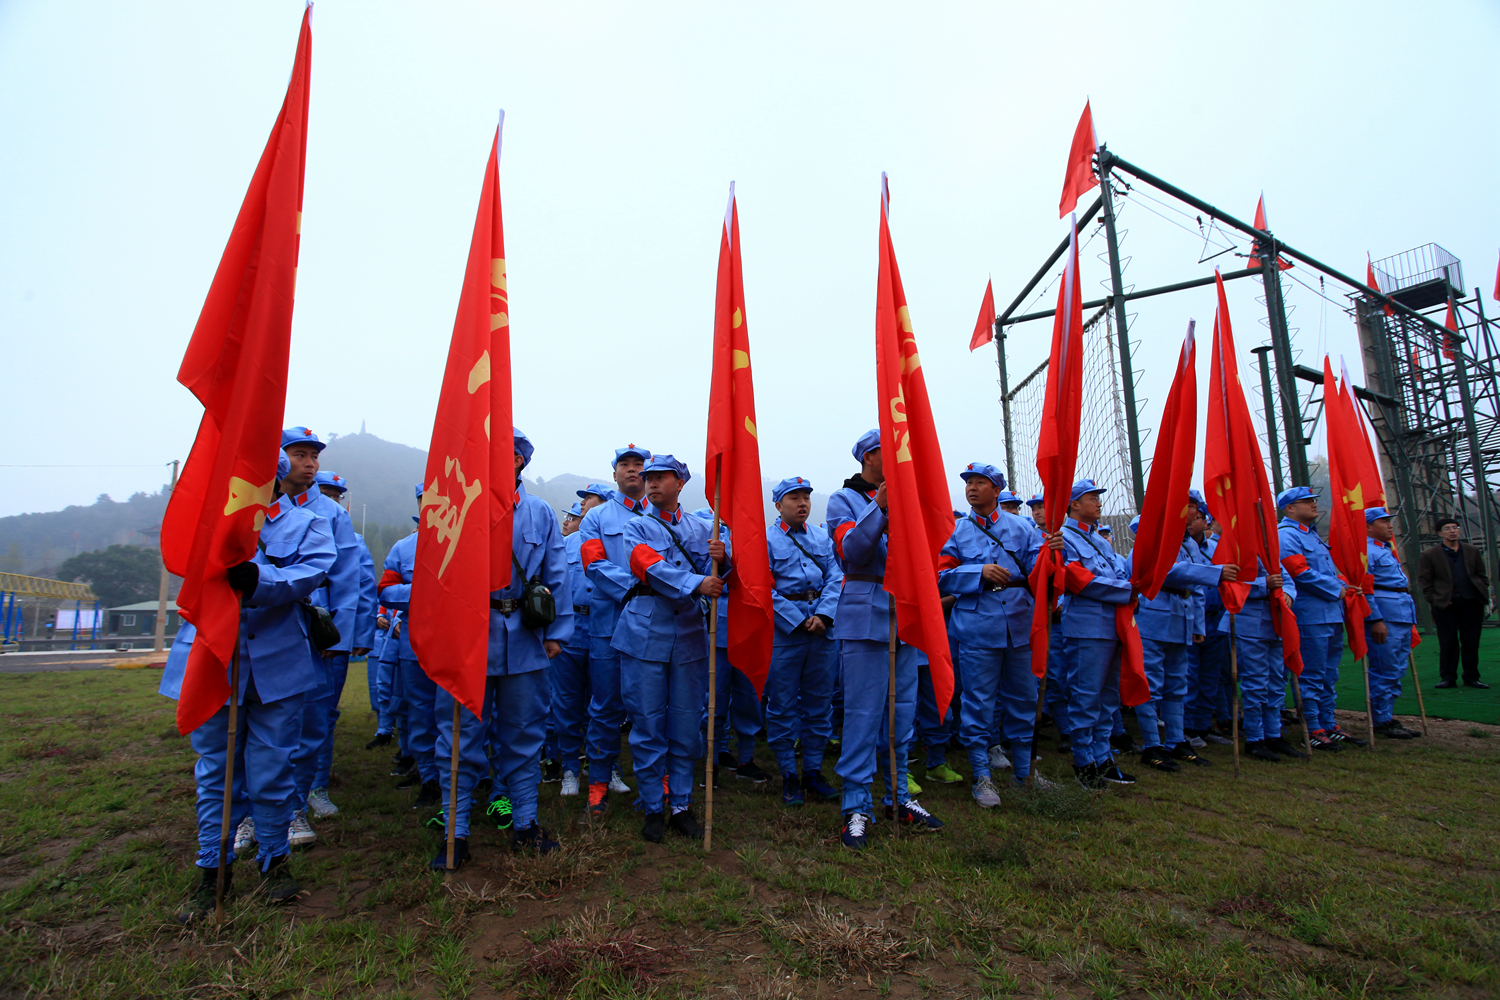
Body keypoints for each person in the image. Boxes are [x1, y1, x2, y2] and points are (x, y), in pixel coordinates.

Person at [164, 449, 337, 921]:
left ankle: (273, 860)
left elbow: (312, 572)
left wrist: (260, 578)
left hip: (277, 659)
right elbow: (183, 556)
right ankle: (211, 870)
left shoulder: (308, 523)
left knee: (272, 765)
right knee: (217, 770)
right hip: (214, 655)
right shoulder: (211, 518)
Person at [426, 428, 573, 869]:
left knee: (525, 735)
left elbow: (557, 573)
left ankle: (525, 823)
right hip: (466, 636)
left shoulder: (540, 512)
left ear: (520, 462)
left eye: (506, 454)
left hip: (524, 637)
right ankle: (457, 830)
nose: (497, 460)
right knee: (458, 736)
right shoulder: (455, 506)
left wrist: (556, 632)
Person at [827, 430, 944, 850]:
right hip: (865, 613)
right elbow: (853, 552)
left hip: (906, 611)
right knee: (862, 714)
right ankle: (856, 804)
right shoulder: (844, 501)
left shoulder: (911, 498)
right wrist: (881, 507)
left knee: (902, 712)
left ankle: (898, 796)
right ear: (870, 457)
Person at [611, 455, 725, 843]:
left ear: (680, 482)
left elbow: (724, 575)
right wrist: (696, 583)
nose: (652, 483)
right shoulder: (637, 526)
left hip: (690, 636)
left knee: (684, 723)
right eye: (649, 478)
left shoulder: (703, 527)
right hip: (645, 633)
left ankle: (680, 803)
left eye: (661, 477)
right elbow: (647, 565)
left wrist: (723, 561)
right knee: (646, 723)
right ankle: (652, 804)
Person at [937, 463, 1049, 807]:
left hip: (1018, 622)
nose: (972, 487)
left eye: (979, 482)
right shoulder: (956, 531)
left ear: (996, 489)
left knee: (1023, 700)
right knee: (978, 702)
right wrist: (977, 571)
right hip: (976, 627)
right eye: (968, 482)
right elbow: (941, 575)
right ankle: (981, 774)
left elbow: (1038, 573)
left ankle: (1024, 773)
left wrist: (1052, 552)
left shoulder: (1023, 527)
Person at [278, 429, 368, 837]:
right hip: (268, 630)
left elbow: (349, 581)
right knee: (262, 723)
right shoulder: (256, 506)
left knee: (314, 720)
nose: (310, 463)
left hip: (316, 634)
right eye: (300, 455)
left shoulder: (333, 515)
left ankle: (297, 804)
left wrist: (339, 638)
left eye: (313, 455)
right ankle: (250, 811)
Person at [1125, 507, 1234, 773]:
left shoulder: (1186, 544)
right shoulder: (1148, 542)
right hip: (1153, 618)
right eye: (1187, 508)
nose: (1193, 514)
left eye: (1194, 509)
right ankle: (1152, 745)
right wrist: (1215, 572)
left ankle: (1176, 740)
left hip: (1180, 619)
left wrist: (1197, 624)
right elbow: (1167, 571)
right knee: (1150, 684)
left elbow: (1196, 589)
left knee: (1177, 685)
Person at [579, 447, 654, 814]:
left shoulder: (661, 517)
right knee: (605, 707)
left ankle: (656, 785)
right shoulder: (596, 517)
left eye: (639, 465)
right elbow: (593, 563)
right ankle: (598, 782)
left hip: (653, 627)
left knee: (650, 708)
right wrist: (638, 588)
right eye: (625, 465)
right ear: (614, 474)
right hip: (609, 626)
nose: (633, 470)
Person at [763, 477, 842, 805]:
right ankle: (788, 773)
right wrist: (796, 620)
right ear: (778, 505)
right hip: (787, 632)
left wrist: (824, 615)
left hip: (822, 631)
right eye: (793, 498)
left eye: (806, 497)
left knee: (819, 703)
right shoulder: (766, 540)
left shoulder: (822, 538)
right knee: (781, 704)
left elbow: (836, 577)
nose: (802, 503)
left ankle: (812, 770)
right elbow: (761, 587)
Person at [1277, 486, 1371, 750]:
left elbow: (1328, 570)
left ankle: (1329, 722)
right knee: (1312, 673)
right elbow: (1299, 572)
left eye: (1314, 500)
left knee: (1329, 674)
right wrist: (1336, 589)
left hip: (1329, 613)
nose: (1315, 504)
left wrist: (1345, 584)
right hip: (1310, 616)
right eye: (1307, 501)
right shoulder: (1287, 536)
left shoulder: (1311, 535)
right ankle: (1313, 726)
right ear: (1290, 508)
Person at [692, 510, 771, 784]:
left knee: (749, 699)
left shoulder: (756, 534)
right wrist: (722, 559)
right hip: (719, 629)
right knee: (713, 700)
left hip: (749, 628)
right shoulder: (706, 529)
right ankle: (711, 761)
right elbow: (699, 576)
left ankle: (746, 759)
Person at [378, 486, 442, 810]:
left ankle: (465, 776)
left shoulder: (468, 540)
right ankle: (430, 777)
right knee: (421, 711)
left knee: (463, 711)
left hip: (458, 640)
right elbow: (386, 590)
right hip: (415, 640)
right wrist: (425, 591)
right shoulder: (404, 549)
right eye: (424, 499)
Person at [1218, 557, 1305, 763]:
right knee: (1255, 682)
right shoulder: (1238, 549)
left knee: (1275, 682)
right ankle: (1255, 738)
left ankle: (1273, 734)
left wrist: (1287, 594)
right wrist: (1263, 584)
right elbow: (1230, 585)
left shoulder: (1268, 552)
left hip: (1275, 621)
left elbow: (1287, 580)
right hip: (1250, 622)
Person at [550, 493, 604, 796]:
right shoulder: (566, 543)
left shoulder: (617, 541)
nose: (583, 505)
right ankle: (570, 767)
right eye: (584, 501)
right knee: (567, 704)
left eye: (592, 500)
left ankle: (606, 768)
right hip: (570, 631)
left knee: (604, 705)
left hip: (603, 629)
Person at [1365, 508, 1421, 737]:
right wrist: (1375, 619)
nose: (1390, 526)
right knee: (1385, 668)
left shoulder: (1384, 549)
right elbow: (1366, 589)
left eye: (1390, 521)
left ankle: (1387, 715)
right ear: (1368, 526)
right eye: (1383, 521)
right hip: (1385, 615)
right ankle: (1380, 719)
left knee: (1397, 668)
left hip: (1400, 612)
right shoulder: (1367, 551)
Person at [1417, 516, 1492, 689]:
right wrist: (1435, 599)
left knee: (1471, 641)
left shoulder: (1472, 550)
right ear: (1440, 533)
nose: (1453, 531)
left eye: (1455, 527)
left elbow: (1481, 575)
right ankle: (1448, 677)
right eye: (1448, 528)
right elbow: (1425, 581)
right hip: (1445, 605)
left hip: (1471, 602)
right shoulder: (1430, 555)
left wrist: (1481, 589)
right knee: (1448, 642)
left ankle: (1472, 677)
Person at [1182, 495, 1232, 746]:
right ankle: (1187, 727)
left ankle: (1203, 725)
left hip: (1215, 618)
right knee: (1189, 675)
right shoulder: (1181, 545)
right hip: (1189, 618)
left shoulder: (1216, 549)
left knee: (1211, 676)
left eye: (1197, 513)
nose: (1192, 518)